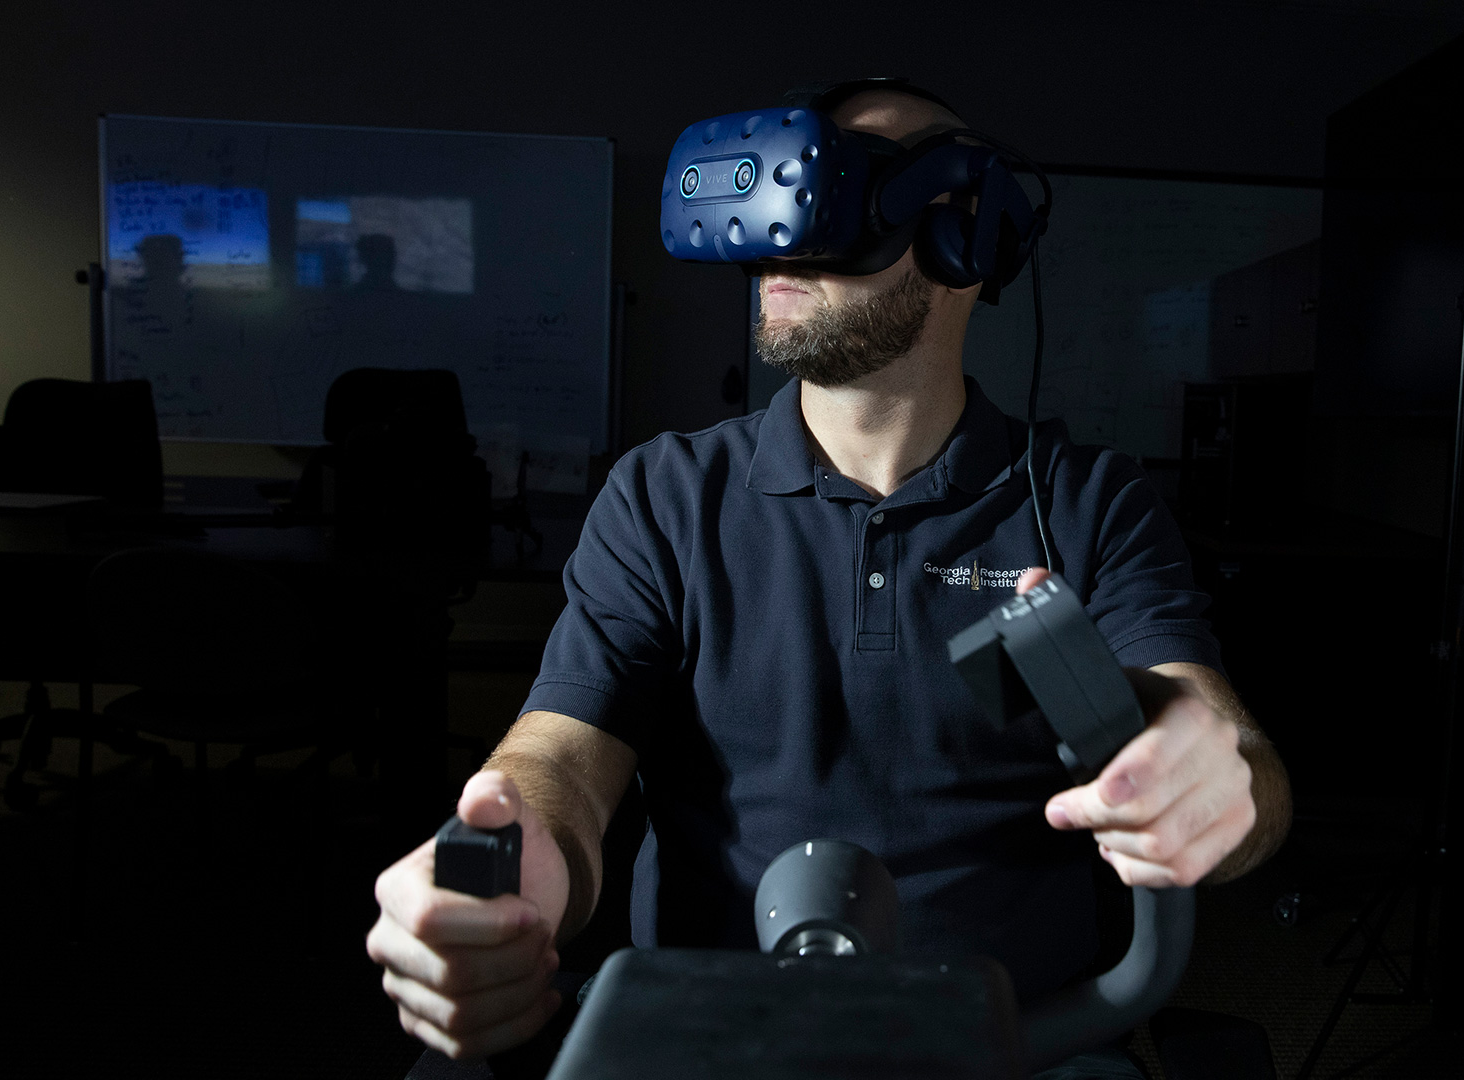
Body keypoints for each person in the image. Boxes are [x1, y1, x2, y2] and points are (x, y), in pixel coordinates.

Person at [367, 85, 1292, 1077]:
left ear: (964, 239)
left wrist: (1214, 777)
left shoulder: (1091, 502)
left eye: (837, 188)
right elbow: (561, 753)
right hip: (706, 1029)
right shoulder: (664, 496)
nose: (779, 238)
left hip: (1017, 1040)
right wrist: (522, 861)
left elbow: (1221, 740)